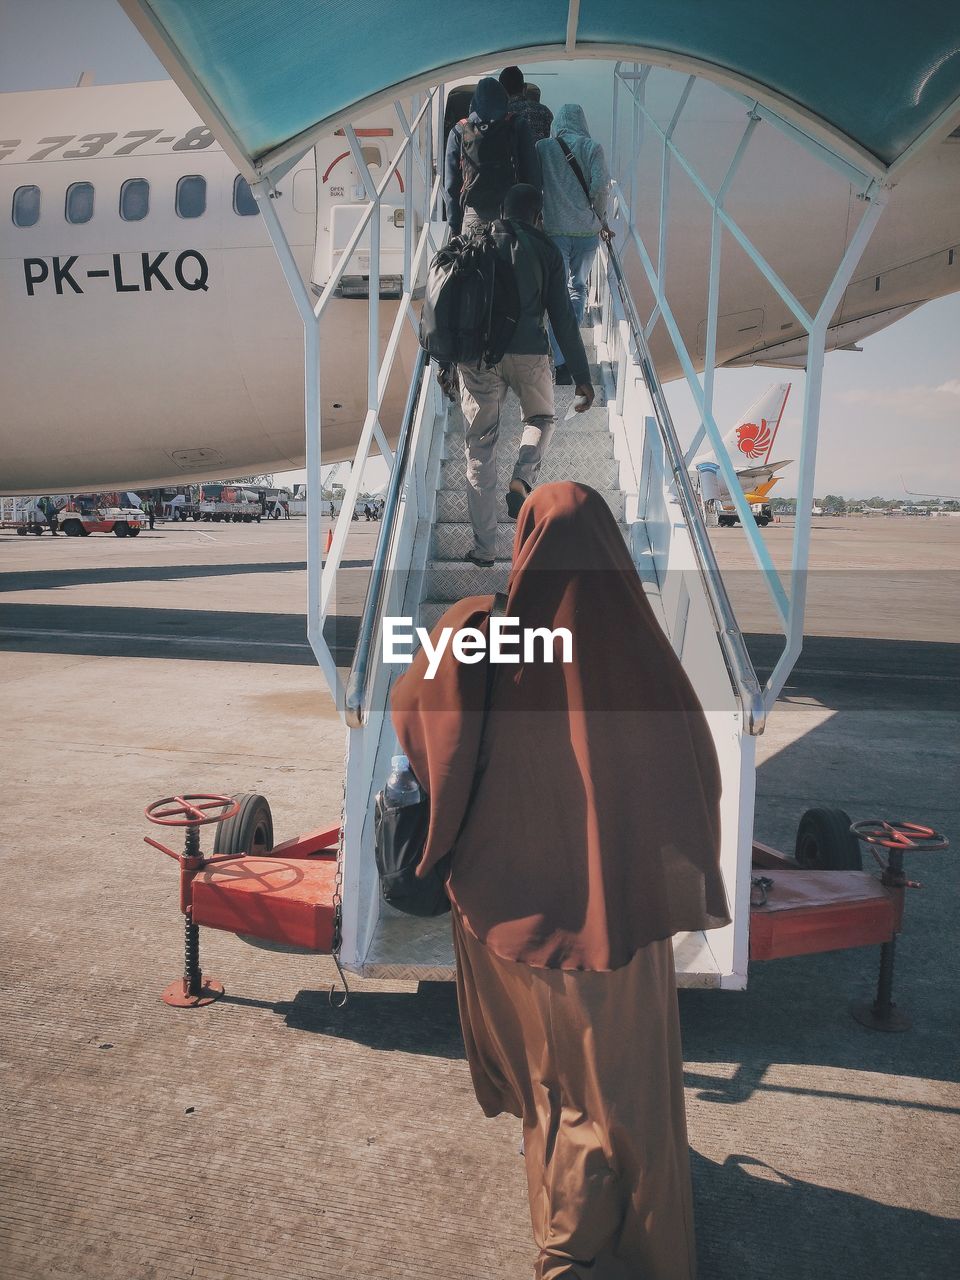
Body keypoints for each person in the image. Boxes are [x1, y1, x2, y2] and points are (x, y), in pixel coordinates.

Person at [391, 481, 729, 1280]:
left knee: (557, 1093)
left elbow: (416, 725)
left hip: (511, 914)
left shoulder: (480, 631)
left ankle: (573, 1252)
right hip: (622, 925)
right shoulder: (645, 651)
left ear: (527, 545)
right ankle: (647, 1240)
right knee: (629, 1095)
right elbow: (698, 779)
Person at [454, 183, 595, 568]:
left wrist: (447, 361)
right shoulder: (545, 249)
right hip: (530, 352)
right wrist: (581, 374)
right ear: (538, 215)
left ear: (502, 208)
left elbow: (452, 300)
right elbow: (563, 317)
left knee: (479, 448)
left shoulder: (475, 239)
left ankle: (485, 548)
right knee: (540, 419)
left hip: (478, 357)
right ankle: (522, 475)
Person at [537, 105, 612, 384]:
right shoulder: (593, 147)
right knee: (578, 288)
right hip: (586, 233)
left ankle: (558, 358)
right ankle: (567, 353)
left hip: (554, 230)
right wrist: (600, 219)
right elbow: (601, 186)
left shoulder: (544, 147)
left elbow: (536, 183)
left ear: (558, 123)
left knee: (556, 294)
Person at [443, 77, 541, 237]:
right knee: (508, 261)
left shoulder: (460, 129)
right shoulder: (517, 124)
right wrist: (534, 214)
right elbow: (532, 173)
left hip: (473, 215)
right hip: (511, 213)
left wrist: (454, 225)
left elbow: (451, 185)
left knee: (473, 261)